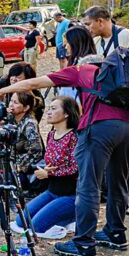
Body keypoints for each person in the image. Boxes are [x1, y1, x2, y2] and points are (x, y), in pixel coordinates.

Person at [0, 49, 129, 256]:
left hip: (102, 129)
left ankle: (83, 243)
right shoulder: (121, 77)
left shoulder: (83, 70)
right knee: (118, 181)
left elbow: (33, 83)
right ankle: (115, 233)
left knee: (89, 185)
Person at [81, 6, 129, 215]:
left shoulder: (128, 36)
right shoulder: (98, 44)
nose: (88, 28)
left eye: (89, 24)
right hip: (107, 103)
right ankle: (111, 193)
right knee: (110, 152)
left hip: (128, 103)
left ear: (100, 21)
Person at [10, 96, 81, 239]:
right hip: (52, 190)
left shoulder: (75, 136)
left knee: (36, 226)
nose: (48, 112)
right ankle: (61, 218)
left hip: (70, 194)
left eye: (53, 109)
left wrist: (49, 174)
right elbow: (51, 163)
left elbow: (75, 167)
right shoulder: (51, 134)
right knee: (21, 221)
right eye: (49, 108)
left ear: (66, 113)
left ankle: (72, 218)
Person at [7, 91, 45, 187]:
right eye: (11, 101)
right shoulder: (11, 118)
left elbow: (36, 150)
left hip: (26, 169)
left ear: (26, 107)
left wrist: (21, 166)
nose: (11, 104)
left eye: (16, 103)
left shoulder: (29, 123)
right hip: (12, 163)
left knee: (8, 178)